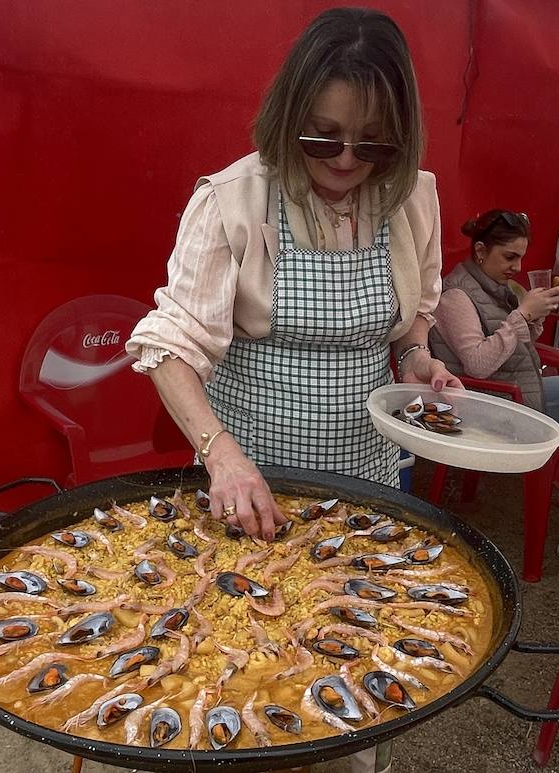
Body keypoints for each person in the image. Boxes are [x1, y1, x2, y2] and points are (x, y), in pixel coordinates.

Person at [128, 8, 459, 544]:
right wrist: (222, 455)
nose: (347, 161)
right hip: (252, 478)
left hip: (368, 470)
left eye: (372, 143)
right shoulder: (233, 199)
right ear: (290, 119)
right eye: (323, 138)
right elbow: (171, 346)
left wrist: (419, 358)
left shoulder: (412, 199)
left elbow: (414, 317)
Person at [429, 209, 559, 564]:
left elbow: (514, 347)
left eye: (520, 257)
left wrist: (531, 320)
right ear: (479, 251)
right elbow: (478, 362)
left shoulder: (495, 288)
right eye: (509, 256)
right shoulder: (456, 296)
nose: (517, 266)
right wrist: (520, 316)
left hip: (519, 389)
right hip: (493, 405)